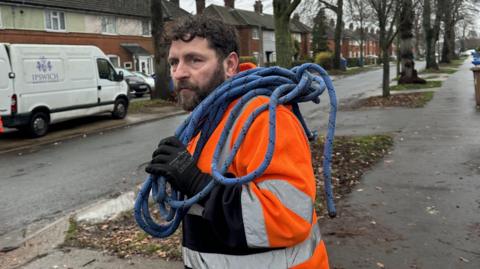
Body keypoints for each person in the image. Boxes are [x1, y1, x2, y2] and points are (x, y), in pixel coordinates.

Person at [145, 15, 329, 269]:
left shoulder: (264, 118)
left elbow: (289, 218)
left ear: (230, 64)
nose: (179, 73)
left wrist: (197, 183)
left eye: (194, 60)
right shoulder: (204, 121)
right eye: (174, 62)